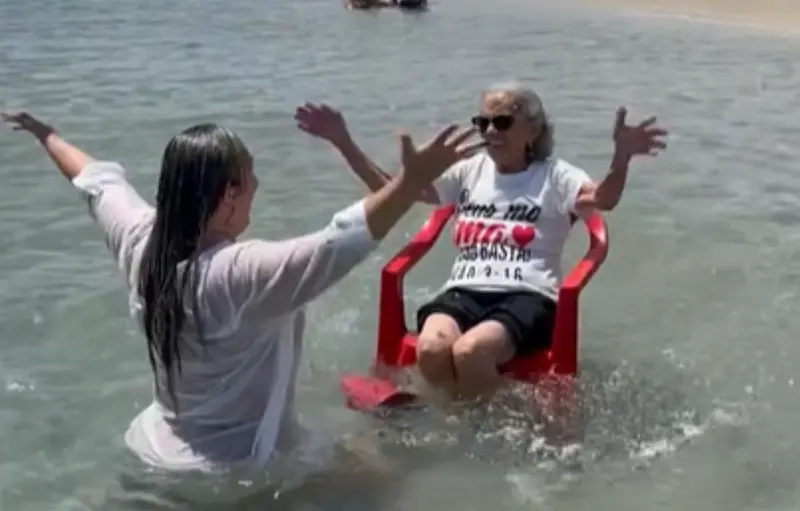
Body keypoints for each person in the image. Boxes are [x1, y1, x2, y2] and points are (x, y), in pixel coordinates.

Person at [0, 110, 482, 474]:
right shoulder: (240, 273)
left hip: (156, 448)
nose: (258, 187)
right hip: (241, 466)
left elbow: (97, 182)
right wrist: (410, 183)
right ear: (229, 193)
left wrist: (46, 134)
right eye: (251, 180)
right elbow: (342, 241)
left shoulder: (142, 240)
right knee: (390, 478)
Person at [294, 83, 667, 399]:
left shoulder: (555, 175)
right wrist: (343, 142)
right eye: (482, 123)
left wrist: (621, 158)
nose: (490, 132)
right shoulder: (469, 171)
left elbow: (604, 199)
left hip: (528, 295)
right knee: (431, 349)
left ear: (533, 130)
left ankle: (491, 429)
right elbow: (394, 191)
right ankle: (464, 425)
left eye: (502, 122)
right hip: (464, 290)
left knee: (471, 352)